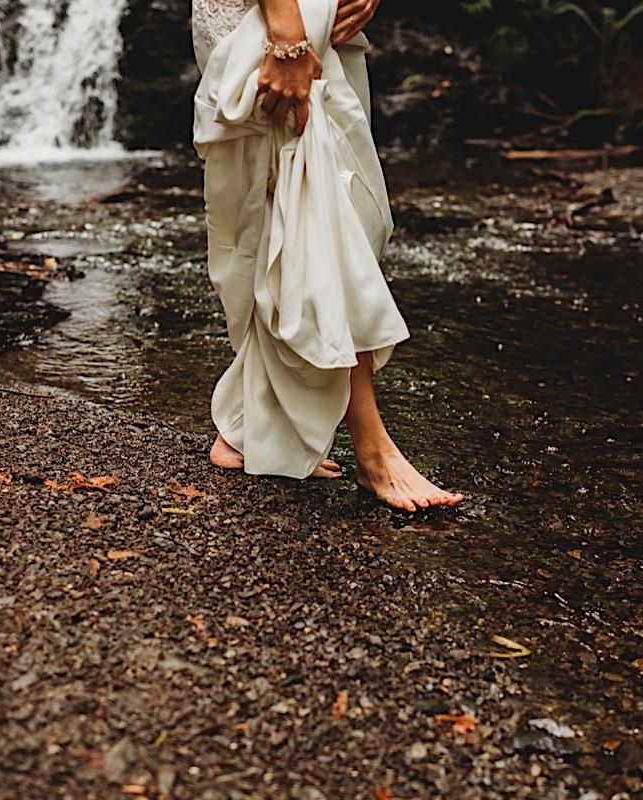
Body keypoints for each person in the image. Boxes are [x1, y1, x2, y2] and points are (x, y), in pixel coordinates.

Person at [191, 0, 463, 512]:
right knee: (316, 210)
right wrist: (287, 37)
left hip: (318, 17)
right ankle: (372, 449)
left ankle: (254, 428)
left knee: (316, 210)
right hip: (279, 17)